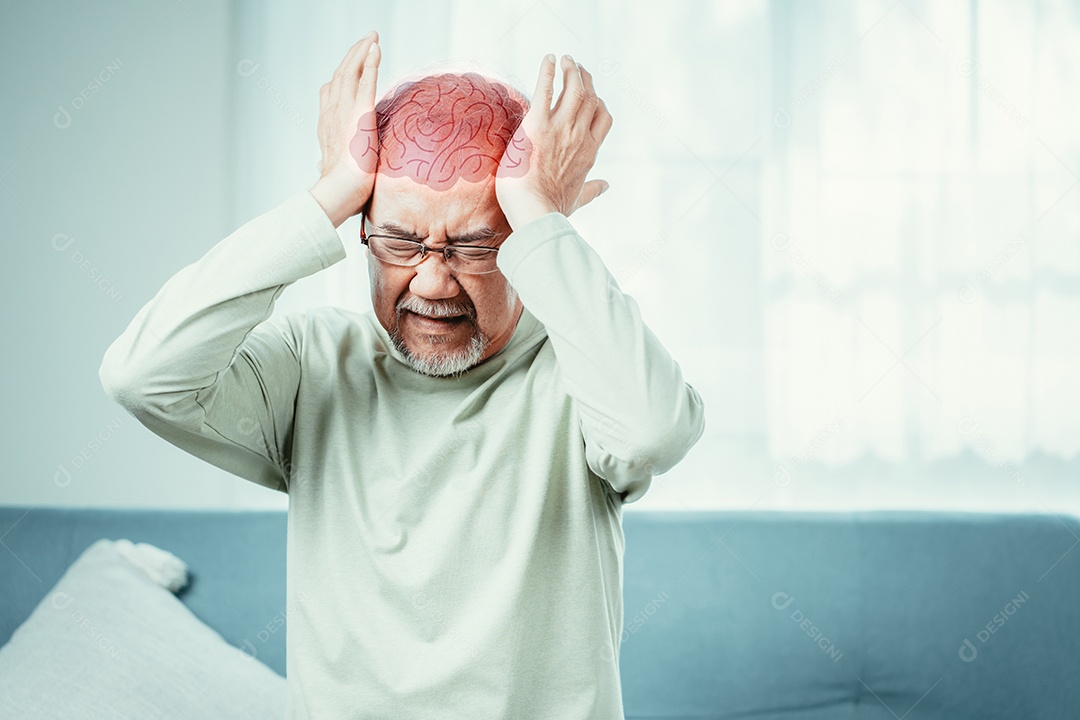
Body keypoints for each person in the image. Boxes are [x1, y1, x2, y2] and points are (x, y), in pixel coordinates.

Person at [99, 29, 705, 720]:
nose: (433, 279)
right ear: (361, 227)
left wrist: (539, 213)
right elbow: (141, 376)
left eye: (476, 244)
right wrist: (327, 196)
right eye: (400, 240)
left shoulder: (582, 370)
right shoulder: (311, 367)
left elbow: (655, 433)